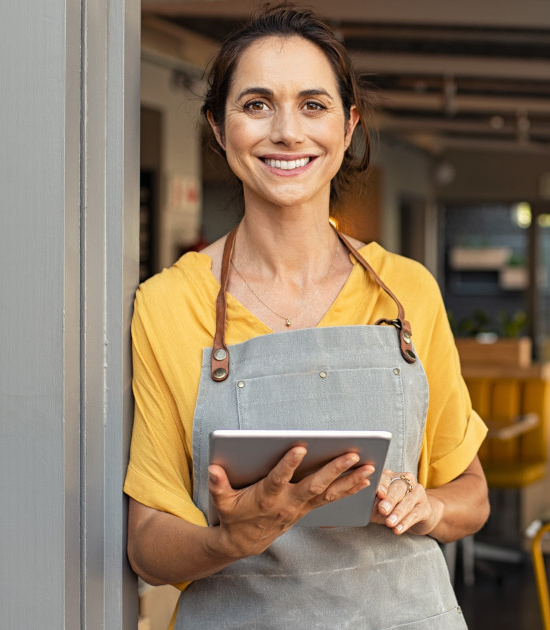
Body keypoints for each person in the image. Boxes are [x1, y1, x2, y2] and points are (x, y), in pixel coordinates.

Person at [124, 6, 488, 627]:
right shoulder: (169, 304)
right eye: (257, 105)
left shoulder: (406, 294)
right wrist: (232, 539)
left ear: (348, 127)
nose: (287, 132)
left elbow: (471, 493)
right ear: (218, 127)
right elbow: (148, 543)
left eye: (314, 105)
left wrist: (426, 507)